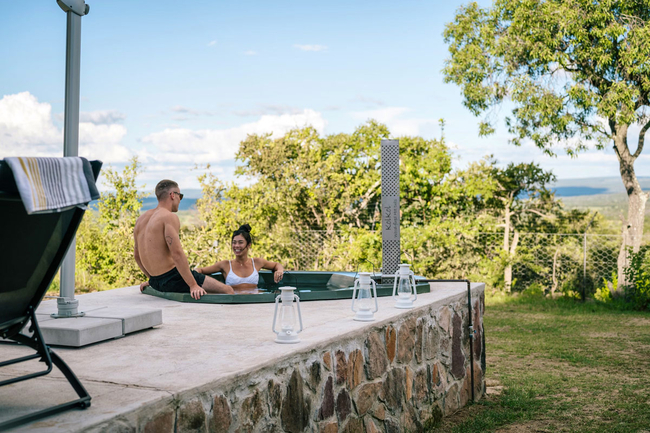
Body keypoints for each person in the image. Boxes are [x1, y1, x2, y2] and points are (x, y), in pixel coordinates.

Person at [134, 180, 234, 299]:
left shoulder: (141, 220)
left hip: (156, 282)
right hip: (174, 279)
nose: (180, 200)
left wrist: (153, 279)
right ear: (172, 195)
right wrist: (193, 285)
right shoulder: (169, 217)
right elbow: (177, 254)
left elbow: (137, 256)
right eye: (180, 196)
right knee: (228, 290)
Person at [195, 224, 285, 294]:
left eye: (240, 242)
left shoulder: (257, 262)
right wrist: (194, 283)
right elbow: (201, 270)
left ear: (248, 245)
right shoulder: (225, 264)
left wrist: (279, 271)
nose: (236, 246)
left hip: (254, 301)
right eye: (234, 242)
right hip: (234, 302)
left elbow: (277, 265)